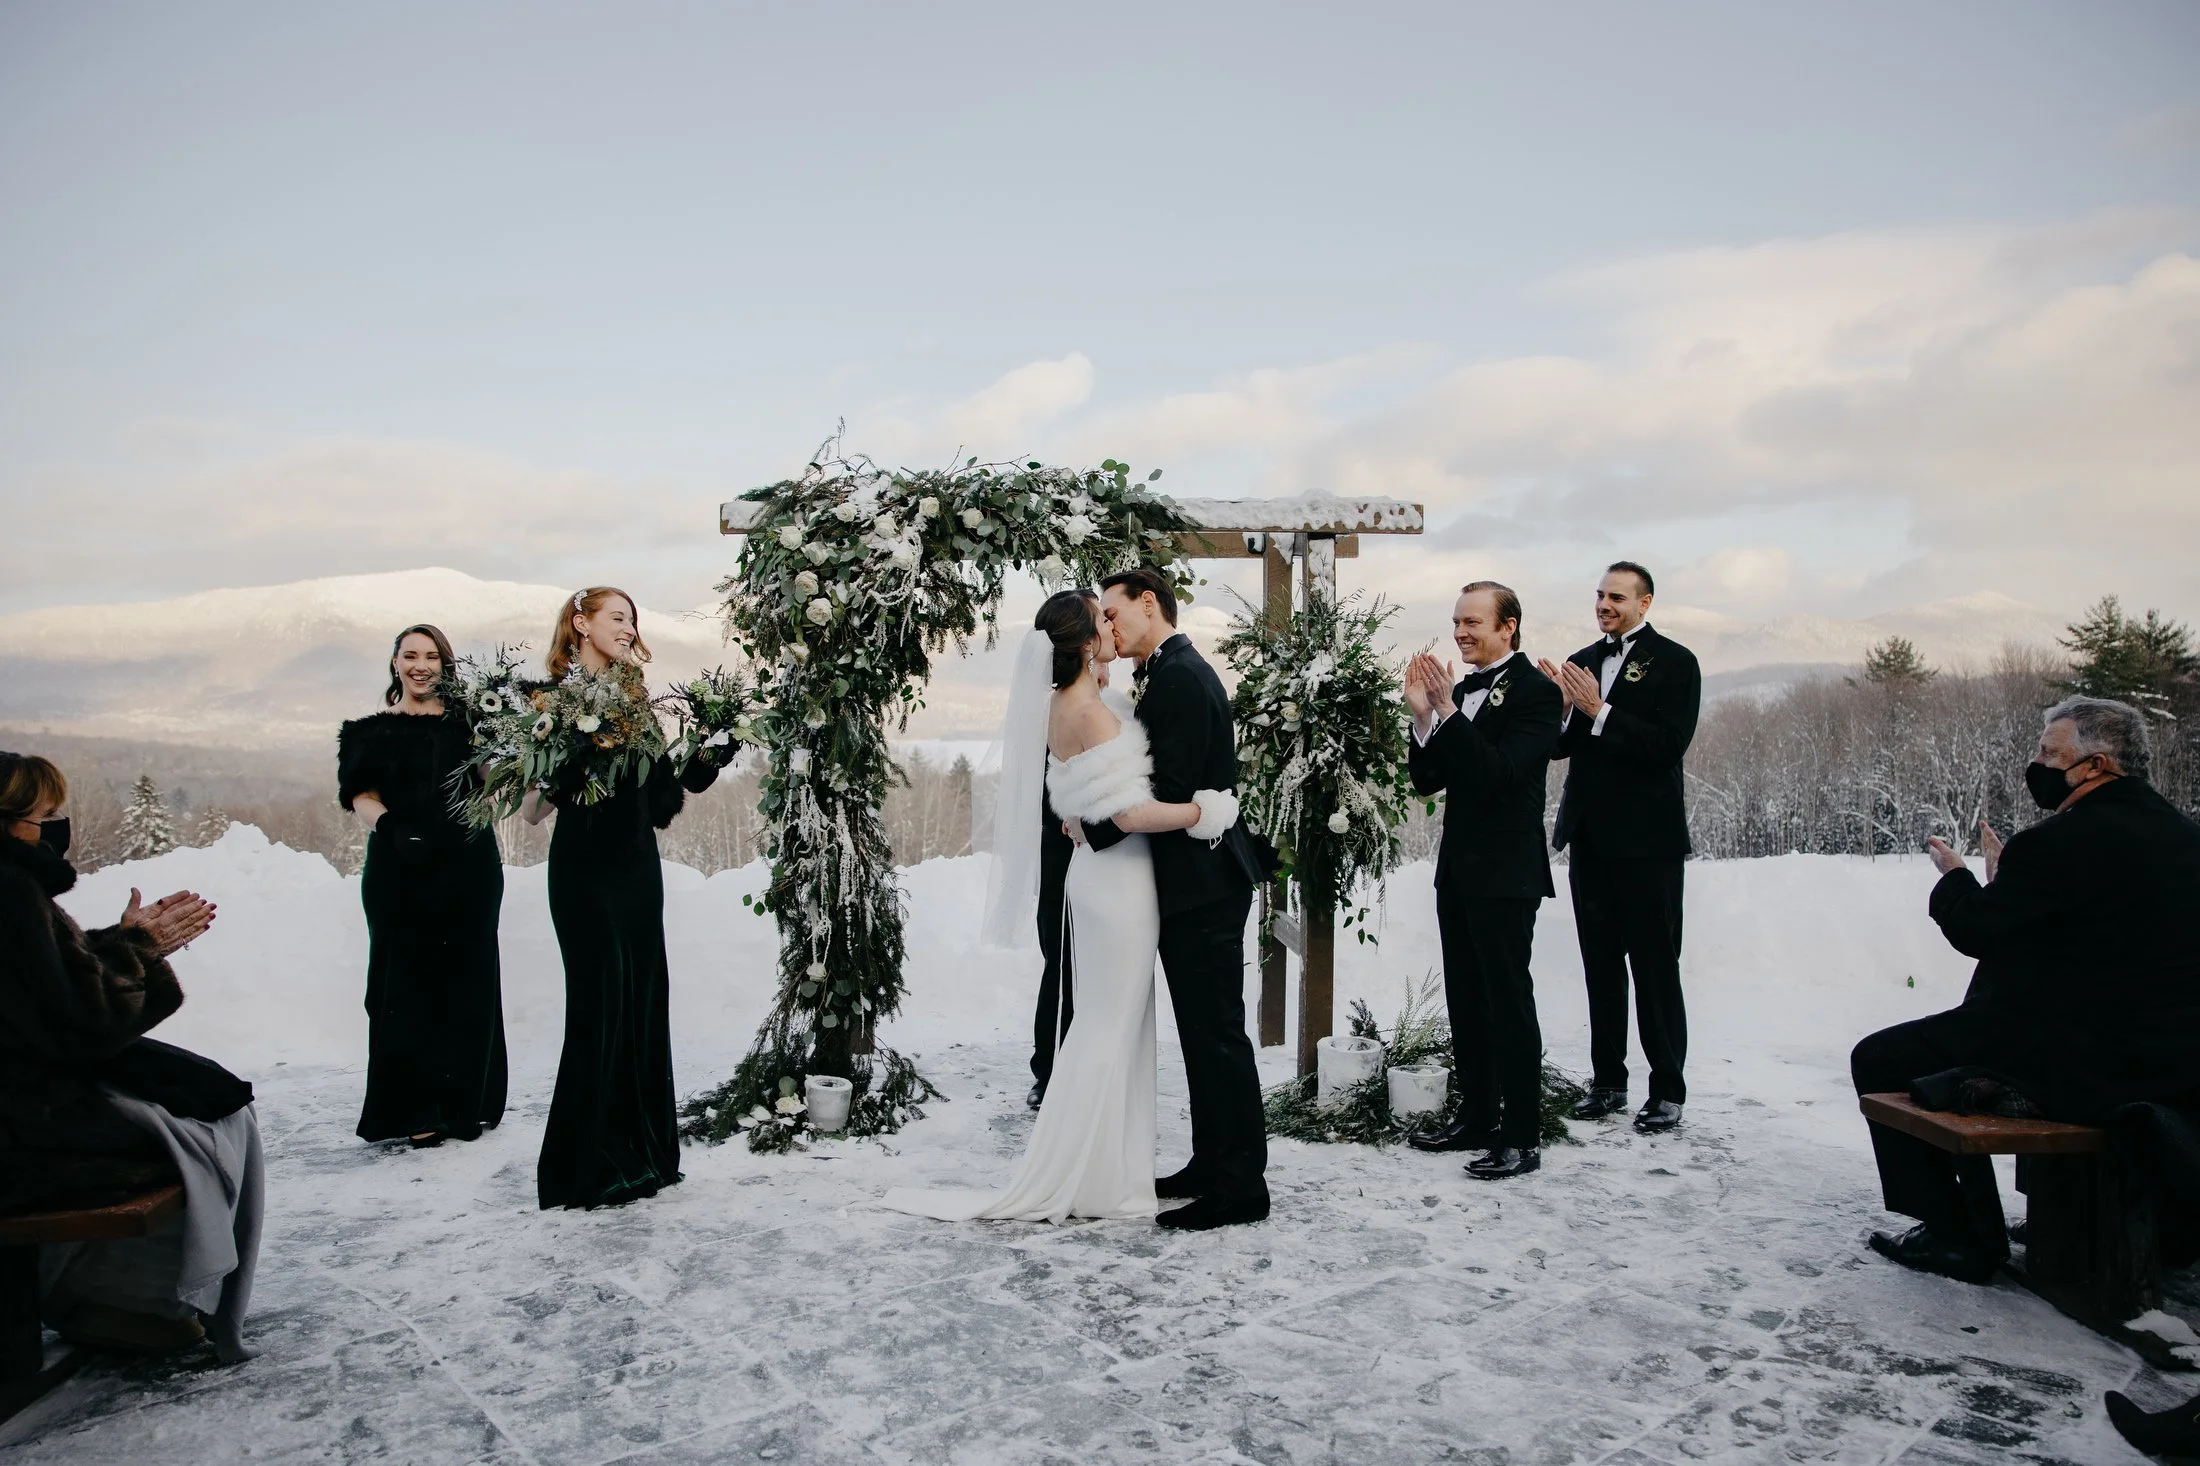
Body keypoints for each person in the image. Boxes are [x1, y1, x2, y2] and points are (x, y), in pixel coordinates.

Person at [886, 592, 1229, 1223]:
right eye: (1101, 620)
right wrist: (1207, 813)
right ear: (1080, 643)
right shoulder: (1091, 715)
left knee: (1112, 1020)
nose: (1111, 625)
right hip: (1118, 885)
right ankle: (1090, 1174)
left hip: (1101, 877)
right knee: (1110, 1022)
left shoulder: (1067, 705)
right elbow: (1127, 812)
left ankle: (1107, 1169)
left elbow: (1083, 795)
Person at [1855, 696, 2200, 1284]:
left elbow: (1979, 932)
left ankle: (1955, 1234)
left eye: (2048, 753)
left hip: (2085, 1059)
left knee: (1881, 1058)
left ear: (2094, 766)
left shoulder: (2058, 842)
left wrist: (1960, 880)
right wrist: (2008, 884)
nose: (2035, 762)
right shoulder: (2183, 836)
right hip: (2176, 1059)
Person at [0, 750, 262, 1362]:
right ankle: (126, 1300)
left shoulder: (15, 889)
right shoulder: (10, 892)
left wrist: (123, 943)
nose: (55, 825)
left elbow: (45, 985)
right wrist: (140, 951)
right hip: (24, 1114)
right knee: (204, 1124)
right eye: (46, 814)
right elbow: (81, 1023)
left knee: (199, 1093)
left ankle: (119, 1298)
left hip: (26, 1091)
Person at [1082, 568, 1273, 1230]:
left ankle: (1241, 1189)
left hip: (1206, 887)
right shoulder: (1167, 673)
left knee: (1218, 1038)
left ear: (1149, 602)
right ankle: (1209, 1162)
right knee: (1202, 1036)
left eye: (1114, 611)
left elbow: (1169, 790)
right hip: (1191, 886)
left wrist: (1091, 822)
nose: (1107, 625)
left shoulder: (1182, 679)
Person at [522, 588, 722, 1210]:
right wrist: (565, 760)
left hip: (638, 870)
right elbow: (529, 811)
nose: (629, 628)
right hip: (583, 873)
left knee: (640, 1001)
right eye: (617, 617)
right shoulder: (546, 699)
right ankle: (585, 1166)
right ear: (579, 623)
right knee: (598, 1003)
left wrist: (700, 762)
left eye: (634, 620)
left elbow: (660, 802)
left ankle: (642, 1157)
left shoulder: (638, 701)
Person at [1404, 583, 1563, 1180]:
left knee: (1507, 1003)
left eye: (1473, 622)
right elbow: (1428, 780)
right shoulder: (1462, 691)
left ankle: (1522, 1134)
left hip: (1507, 874)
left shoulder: (1537, 694)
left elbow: (1497, 775)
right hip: (1459, 870)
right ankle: (1475, 1118)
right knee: (1467, 1001)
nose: (1461, 632)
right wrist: (1423, 719)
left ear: (1509, 627)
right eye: (1456, 622)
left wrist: (1446, 710)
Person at [1538, 561, 1701, 1135]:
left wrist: (1600, 711)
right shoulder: (1582, 662)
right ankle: (1607, 1081)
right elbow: (1562, 749)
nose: (1604, 605)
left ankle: (1668, 1091)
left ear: (1645, 602)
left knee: (1655, 968)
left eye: (1616, 597)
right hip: (1590, 840)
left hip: (1647, 843)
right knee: (1599, 967)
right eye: (1599, 596)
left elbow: (1666, 745)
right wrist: (1560, 713)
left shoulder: (1677, 663)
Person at [337, 623, 508, 1148]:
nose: (420, 665)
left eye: (431, 656)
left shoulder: (470, 725)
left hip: (468, 868)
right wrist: (392, 828)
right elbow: (359, 794)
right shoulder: (368, 731)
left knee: (466, 980)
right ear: (394, 663)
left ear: (445, 665)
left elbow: (495, 782)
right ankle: (415, 1108)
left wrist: (508, 743)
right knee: (400, 986)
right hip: (397, 868)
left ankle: (465, 1104)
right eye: (410, 655)